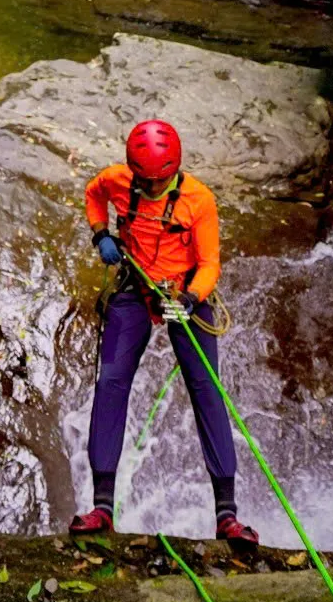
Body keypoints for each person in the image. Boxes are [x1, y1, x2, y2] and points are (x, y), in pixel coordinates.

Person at [68, 117, 261, 554]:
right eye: (145, 182)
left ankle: (227, 515)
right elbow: (93, 196)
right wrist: (101, 234)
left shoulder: (199, 200)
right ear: (133, 171)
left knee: (207, 389)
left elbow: (210, 263)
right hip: (136, 287)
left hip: (183, 293)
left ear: (173, 171)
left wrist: (191, 299)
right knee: (111, 382)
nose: (152, 189)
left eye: (159, 182)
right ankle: (101, 507)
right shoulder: (116, 181)